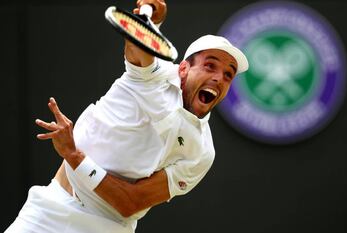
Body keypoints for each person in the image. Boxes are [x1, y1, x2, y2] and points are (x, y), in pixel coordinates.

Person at [5, 0, 248, 232]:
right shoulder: (157, 75)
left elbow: (130, 203)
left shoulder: (202, 152)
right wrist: (149, 26)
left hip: (109, 228)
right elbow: (137, 48)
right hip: (50, 209)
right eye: (210, 66)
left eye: (228, 75)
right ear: (183, 69)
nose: (219, 78)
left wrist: (74, 156)